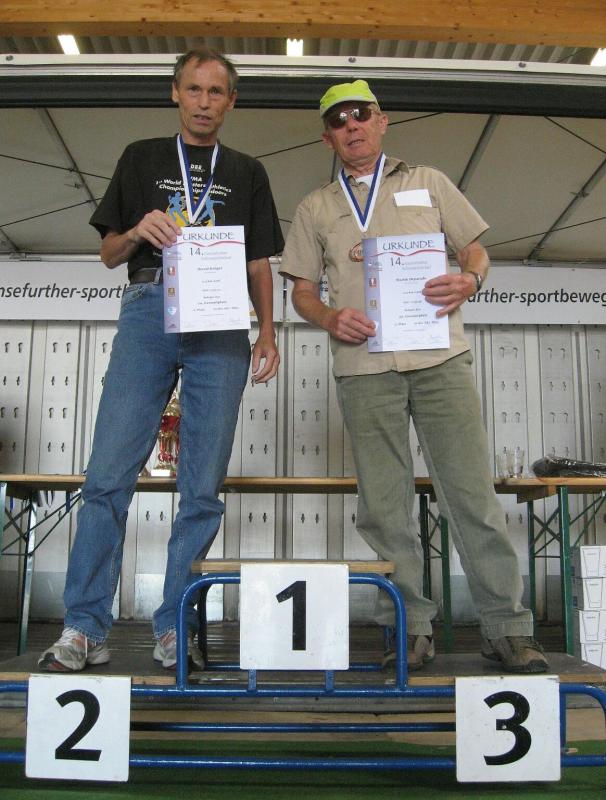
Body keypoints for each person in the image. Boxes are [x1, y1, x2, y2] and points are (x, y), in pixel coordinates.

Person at [279, 80, 548, 673]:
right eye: (338, 120)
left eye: (361, 114)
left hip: (439, 361)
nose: (351, 126)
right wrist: (328, 316)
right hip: (363, 367)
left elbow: (475, 251)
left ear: (382, 121)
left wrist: (470, 279)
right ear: (326, 137)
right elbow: (301, 291)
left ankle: (506, 628)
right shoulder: (315, 207)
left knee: (471, 495)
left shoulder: (429, 181)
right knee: (384, 506)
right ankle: (407, 628)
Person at [39, 47, 284, 672]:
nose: (204, 102)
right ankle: (84, 627)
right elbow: (108, 254)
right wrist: (136, 232)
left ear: (231, 101)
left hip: (221, 319)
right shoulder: (141, 157)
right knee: (107, 475)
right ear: (175, 93)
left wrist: (267, 331)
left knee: (201, 486)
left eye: (216, 92)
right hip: (150, 306)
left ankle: (176, 627)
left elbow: (259, 262)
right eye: (193, 89)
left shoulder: (248, 171)